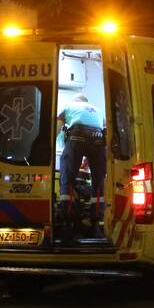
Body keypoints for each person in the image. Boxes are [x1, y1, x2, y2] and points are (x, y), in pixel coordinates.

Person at [57, 94, 106, 230]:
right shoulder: (98, 110)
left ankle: (67, 215)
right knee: (98, 180)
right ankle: (96, 217)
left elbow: (58, 127)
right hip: (98, 138)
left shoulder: (69, 106)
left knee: (68, 177)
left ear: (75, 101)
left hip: (77, 136)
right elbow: (104, 130)